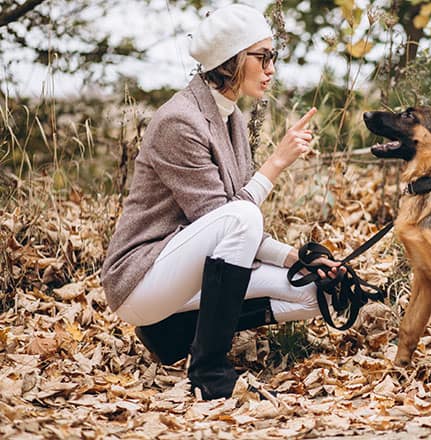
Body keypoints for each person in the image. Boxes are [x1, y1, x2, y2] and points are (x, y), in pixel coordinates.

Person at [101, 3, 342, 400]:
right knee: (244, 215)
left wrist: (298, 259)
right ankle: (209, 370)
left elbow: (234, 232)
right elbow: (227, 219)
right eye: (262, 57)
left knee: (316, 293)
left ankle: (172, 335)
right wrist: (276, 163)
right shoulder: (180, 121)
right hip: (141, 281)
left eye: (273, 57)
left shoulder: (232, 119)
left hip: (187, 278)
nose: (271, 69)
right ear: (231, 60)